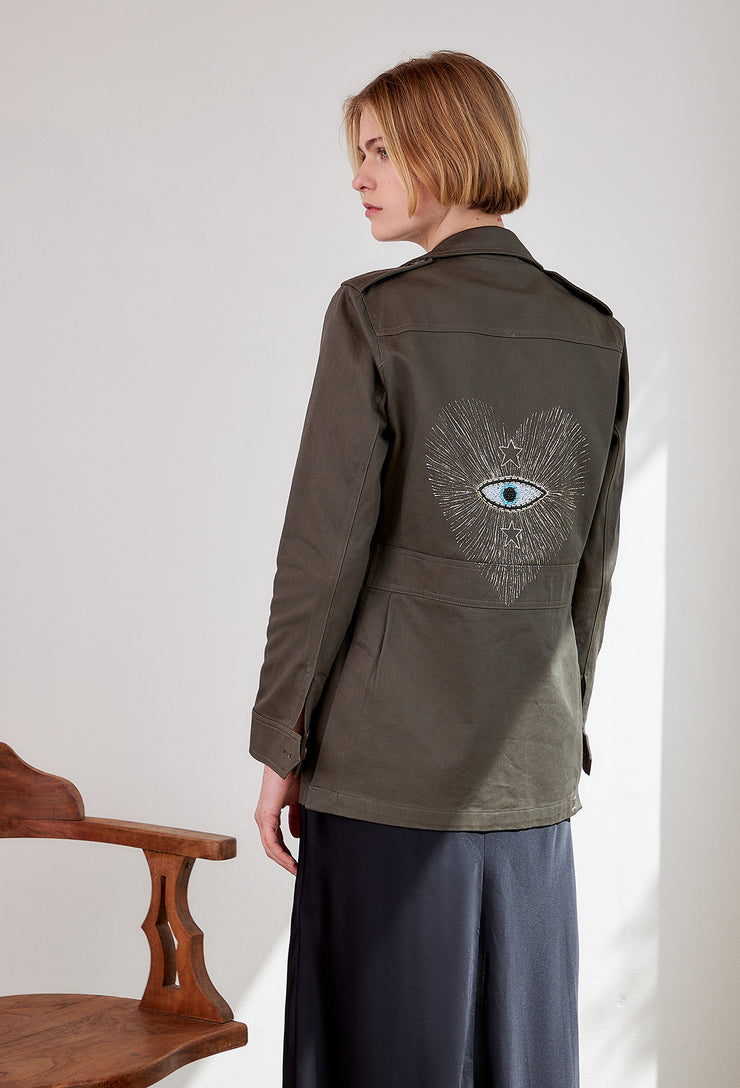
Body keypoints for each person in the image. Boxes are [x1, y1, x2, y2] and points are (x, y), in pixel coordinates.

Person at [251, 50, 628, 1088]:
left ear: (444, 148)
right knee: (517, 1056)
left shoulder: (372, 314)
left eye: (378, 150)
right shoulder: (594, 332)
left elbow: (322, 554)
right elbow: (590, 575)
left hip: (386, 778)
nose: (359, 176)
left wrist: (281, 740)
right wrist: (554, 729)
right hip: (532, 776)